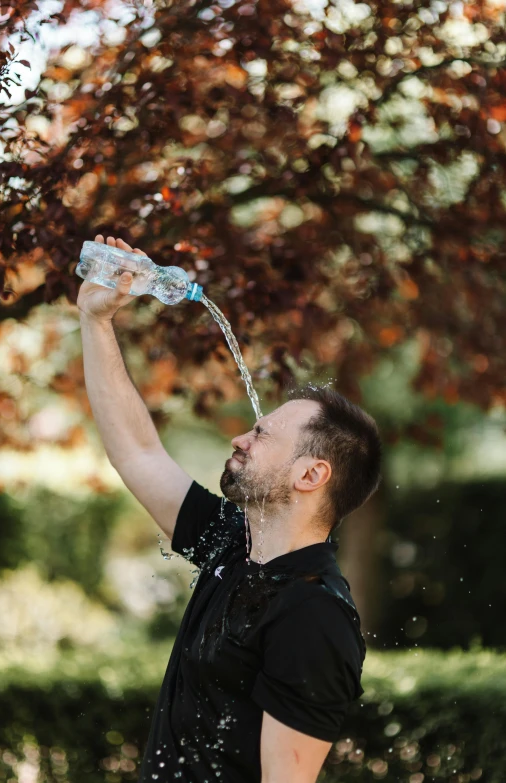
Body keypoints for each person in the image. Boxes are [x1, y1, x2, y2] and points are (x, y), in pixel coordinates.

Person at [78, 235, 383, 783]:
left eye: (263, 435)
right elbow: (137, 452)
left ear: (311, 475)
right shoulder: (233, 543)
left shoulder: (313, 614)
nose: (240, 438)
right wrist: (96, 322)